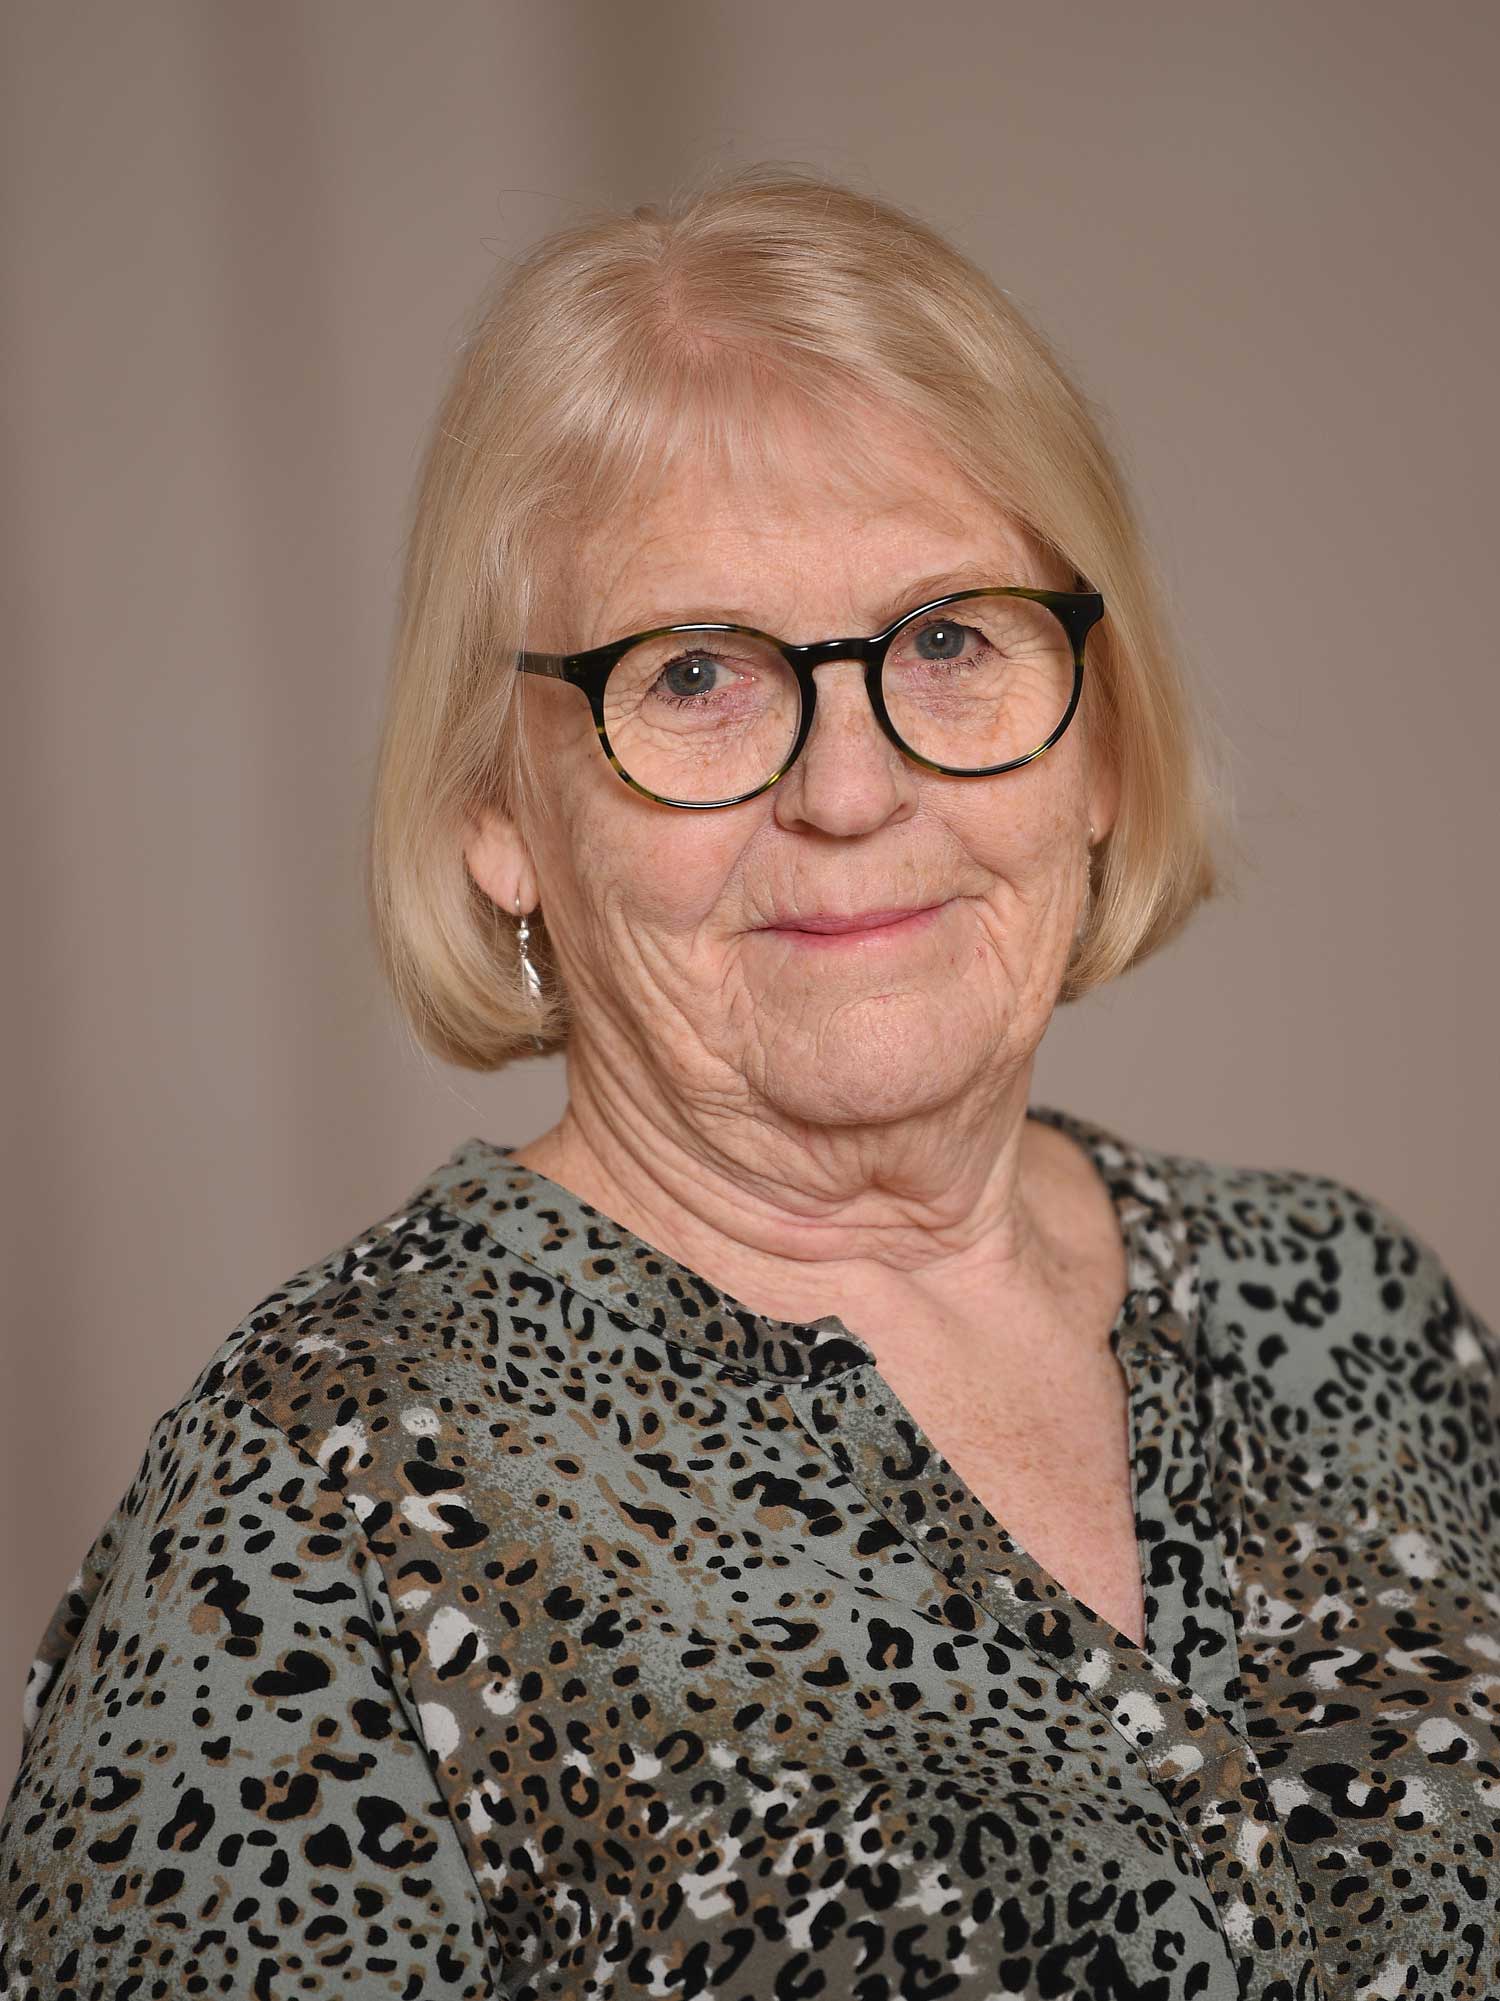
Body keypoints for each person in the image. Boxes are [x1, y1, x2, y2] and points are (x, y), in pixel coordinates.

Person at [1, 168, 1495, 2001]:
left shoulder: (1351, 1307)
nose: (849, 790)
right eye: (696, 672)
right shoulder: (326, 1492)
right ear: (497, 811)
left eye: (947, 638)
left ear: (1102, 738)